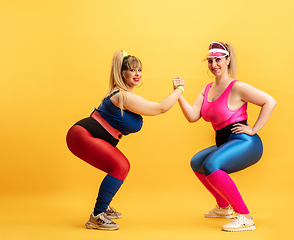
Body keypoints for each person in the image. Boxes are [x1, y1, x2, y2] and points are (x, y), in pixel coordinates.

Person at [66, 50, 185, 230]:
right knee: (121, 166)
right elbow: (160, 108)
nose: (137, 74)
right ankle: (97, 215)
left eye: (139, 70)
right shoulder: (123, 95)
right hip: (83, 134)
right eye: (132, 70)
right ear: (122, 73)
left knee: (118, 167)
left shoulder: (123, 93)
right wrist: (180, 90)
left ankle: (103, 206)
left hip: (87, 135)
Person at [173, 42, 276, 232]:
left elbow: (270, 101)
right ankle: (223, 208)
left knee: (211, 165)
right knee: (197, 162)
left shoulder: (237, 87)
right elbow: (193, 116)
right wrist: (179, 93)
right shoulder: (207, 89)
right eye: (210, 61)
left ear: (228, 60)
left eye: (218, 60)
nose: (214, 65)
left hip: (245, 142)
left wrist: (253, 129)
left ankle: (245, 216)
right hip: (225, 142)